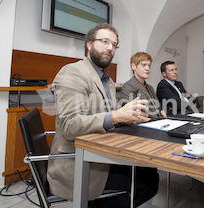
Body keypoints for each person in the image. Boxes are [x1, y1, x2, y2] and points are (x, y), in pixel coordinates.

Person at [47, 23, 159, 208]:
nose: (110, 48)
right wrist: (116, 116)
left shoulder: (107, 81)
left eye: (114, 45)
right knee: (145, 183)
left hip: (99, 152)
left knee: (150, 175)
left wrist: (128, 117)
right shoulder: (72, 72)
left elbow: (108, 116)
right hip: (79, 163)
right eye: (104, 41)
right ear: (89, 44)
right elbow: (70, 126)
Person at [120, 52, 167, 118]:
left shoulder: (150, 88)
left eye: (149, 66)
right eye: (144, 65)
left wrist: (161, 112)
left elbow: (157, 108)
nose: (148, 68)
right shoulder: (128, 86)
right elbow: (131, 115)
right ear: (133, 66)